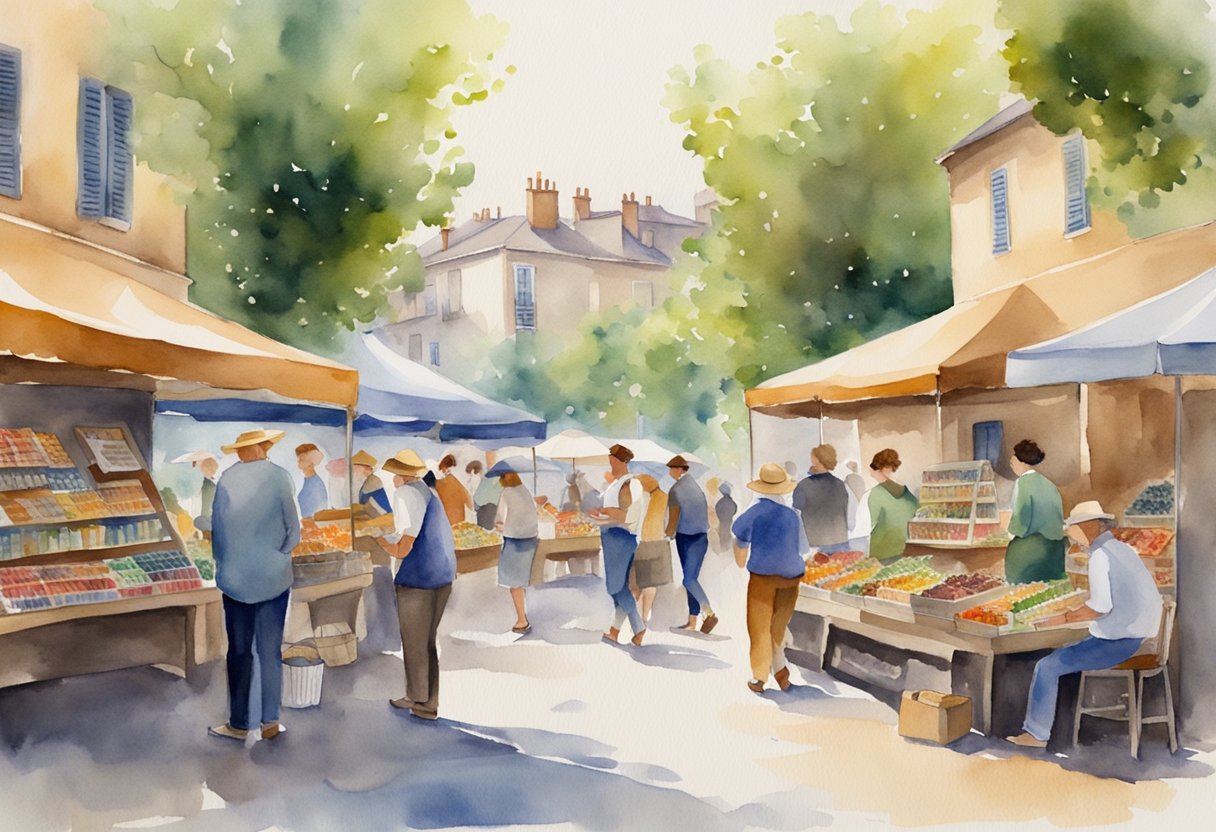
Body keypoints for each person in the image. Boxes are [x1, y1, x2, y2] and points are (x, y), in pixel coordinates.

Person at [1007, 501, 1163, 748]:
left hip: (1119, 642)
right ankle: (1057, 728)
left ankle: (1036, 735)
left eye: (1074, 527)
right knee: (1066, 651)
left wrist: (1062, 617)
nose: (1072, 534)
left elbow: (1100, 607)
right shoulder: (1122, 549)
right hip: (1138, 636)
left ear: (1091, 526)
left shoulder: (1100, 556)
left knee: (1046, 666)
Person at [208, 429, 299, 742]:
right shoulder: (280, 477)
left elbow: (217, 533)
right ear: (265, 447)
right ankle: (270, 722)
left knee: (239, 652)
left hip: (234, 579)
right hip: (273, 578)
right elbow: (294, 531)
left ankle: (238, 723)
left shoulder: (226, 480)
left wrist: (226, 563)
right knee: (270, 650)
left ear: (240, 452)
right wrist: (277, 555)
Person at [375, 449, 457, 721]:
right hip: (443, 575)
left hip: (418, 577)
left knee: (414, 642)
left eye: (394, 474)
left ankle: (419, 701)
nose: (393, 480)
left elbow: (402, 549)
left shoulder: (406, 494)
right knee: (427, 642)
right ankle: (428, 701)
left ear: (400, 475)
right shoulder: (430, 493)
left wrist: (379, 540)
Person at [732, 463, 810, 694]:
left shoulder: (754, 512)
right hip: (792, 577)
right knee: (777, 627)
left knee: (759, 628)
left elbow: (739, 539)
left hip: (763, 577)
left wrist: (743, 557)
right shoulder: (793, 515)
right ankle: (781, 673)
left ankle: (759, 678)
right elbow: (803, 548)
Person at [588, 444, 648, 646]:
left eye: (613, 461)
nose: (610, 464)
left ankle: (639, 627)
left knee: (614, 587)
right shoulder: (617, 484)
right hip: (612, 536)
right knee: (619, 586)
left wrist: (607, 512)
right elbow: (615, 511)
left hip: (621, 538)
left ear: (622, 462)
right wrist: (602, 512)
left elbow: (629, 516)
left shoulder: (630, 485)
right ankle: (614, 630)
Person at [665, 455, 717, 634]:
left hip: (685, 538)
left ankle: (708, 612)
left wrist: (666, 535)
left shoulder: (675, 490)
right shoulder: (696, 487)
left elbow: (673, 520)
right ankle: (692, 620)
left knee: (688, 579)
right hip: (701, 537)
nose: (670, 471)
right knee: (691, 578)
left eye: (672, 468)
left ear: (680, 469)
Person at [1004, 439, 1068, 584]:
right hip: (1055, 549)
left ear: (1022, 462)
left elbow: (1022, 516)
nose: (1012, 466)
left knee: (1021, 590)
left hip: (1032, 550)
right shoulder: (1049, 484)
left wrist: (1010, 534)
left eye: (1012, 463)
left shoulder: (1023, 482)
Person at [495, 470, 539, 634]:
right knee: (523, 579)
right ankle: (523, 615)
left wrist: (499, 526)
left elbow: (500, 519)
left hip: (515, 539)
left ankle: (522, 620)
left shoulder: (506, 492)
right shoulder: (524, 490)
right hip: (531, 538)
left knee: (514, 583)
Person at [630, 474, 674, 625]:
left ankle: (641, 618)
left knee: (641, 583)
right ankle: (644, 617)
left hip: (647, 544)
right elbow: (669, 524)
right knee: (650, 584)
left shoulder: (645, 499)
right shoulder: (664, 498)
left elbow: (634, 521)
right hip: (659, 544)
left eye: (642, 485)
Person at [792, 444, 850, 555]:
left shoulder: (804, 485)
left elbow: (796, 515)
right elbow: (845, 512)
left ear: (817, 460)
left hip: (815, 545)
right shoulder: (840, 484)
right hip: (840, 542)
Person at [866, 448, 919, 562]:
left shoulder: (876, 493)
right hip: (904, 549)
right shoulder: (906, 492)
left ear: (880, 470)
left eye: (872, 471)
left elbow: (868, 524)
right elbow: (916, 513)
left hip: (881, 551)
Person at [434, 454, 473, 526]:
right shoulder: (457, 482)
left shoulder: (439, 484)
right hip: (458, 521)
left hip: (446, 521)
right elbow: (469, 502)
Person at [352, 450, 392, 516]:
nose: (354, 470)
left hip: (379, 516)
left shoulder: (373, 480)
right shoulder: (364, 480)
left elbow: (380, 507)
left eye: (356, 467)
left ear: (367, 468)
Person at [295, 443, 328, 519]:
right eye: (298, 459)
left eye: (301, 459)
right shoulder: (306, 480)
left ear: (311, 461)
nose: (298, 461)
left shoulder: (316, 484)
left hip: (313, 526)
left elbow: (320, 513)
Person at [714, 481, 737, 555]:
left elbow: (717, 511)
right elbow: (735, 510)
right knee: (728, 536)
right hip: (729, 522)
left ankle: (723, 551)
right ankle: (728, 551)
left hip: (721, 523)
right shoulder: (732, 502)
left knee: (722, 537)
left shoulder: (719, 503)